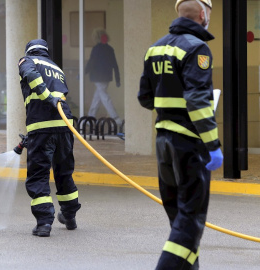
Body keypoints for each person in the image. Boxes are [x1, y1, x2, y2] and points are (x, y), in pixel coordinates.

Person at [137, 0, 223, 269]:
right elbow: (198, 103)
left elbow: (145, 98)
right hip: (188, 144)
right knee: (189, 223)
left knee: (180, 222)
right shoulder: (198, 48)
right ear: (203, 14)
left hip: (163, 143)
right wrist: (213, 145)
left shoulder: (155, 49)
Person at [18, 39, 81, 237]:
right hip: (63, 127)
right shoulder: (56, 68)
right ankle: (69, 216)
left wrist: (47, 97)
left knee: (38, 175)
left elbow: (31, 77)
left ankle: (44, 223)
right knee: (64, 172)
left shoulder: (27, 61)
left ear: (30, 51)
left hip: (42, 126)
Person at [85, 29, 122, 127]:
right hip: (106, 77)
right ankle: (90, 117)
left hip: (98, 77)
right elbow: (115, 65)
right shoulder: (110, 49)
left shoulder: (96, 49)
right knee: (97, 97)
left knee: (105, 98)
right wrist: (117, 79)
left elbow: (91, 62)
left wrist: (83, 73)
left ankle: (116, 118)